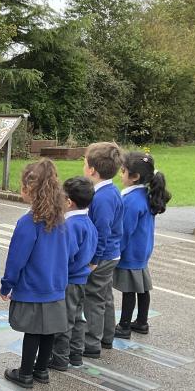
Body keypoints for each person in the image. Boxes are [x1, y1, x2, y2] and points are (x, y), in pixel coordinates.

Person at [0, 159, 69, 389]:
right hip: (55, 285)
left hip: (32, 286)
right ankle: (41, 370)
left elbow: (17, 258)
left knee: (32, 331)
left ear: (29, 189)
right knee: (48, 330)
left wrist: (7, 284)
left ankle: (25, 373)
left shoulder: (28, 222)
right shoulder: (60, 220)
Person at [114, 152, 171, 338]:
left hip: (130, 251)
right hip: (142, 250)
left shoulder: (131, 200)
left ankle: (124, 326)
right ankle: (141, 322)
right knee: (143, 288)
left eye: (123, 171)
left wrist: (116, 251)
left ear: (135, 176)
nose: (121, 174)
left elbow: (124, 231)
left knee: (129, 290)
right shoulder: (147, 194)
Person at [50, 177, 97, 370]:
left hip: (68, 279)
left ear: (68, 202)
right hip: (82, 278)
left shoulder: (70, 226)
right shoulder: (89, 223)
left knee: (64, 319)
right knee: (77, 317)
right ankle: (76, 353)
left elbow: (65, 255)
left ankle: (60, 357)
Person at [82, 142, 124, 358]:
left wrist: (94, 260)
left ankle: (91, 342)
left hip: (102, 255)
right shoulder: (110, 190)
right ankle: (107, 335)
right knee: (105, 295)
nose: (83, 166)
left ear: (92, 170)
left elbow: (102, 231)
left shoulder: (102, 197)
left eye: (84, 163)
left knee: (94, 297)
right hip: (111, 253)